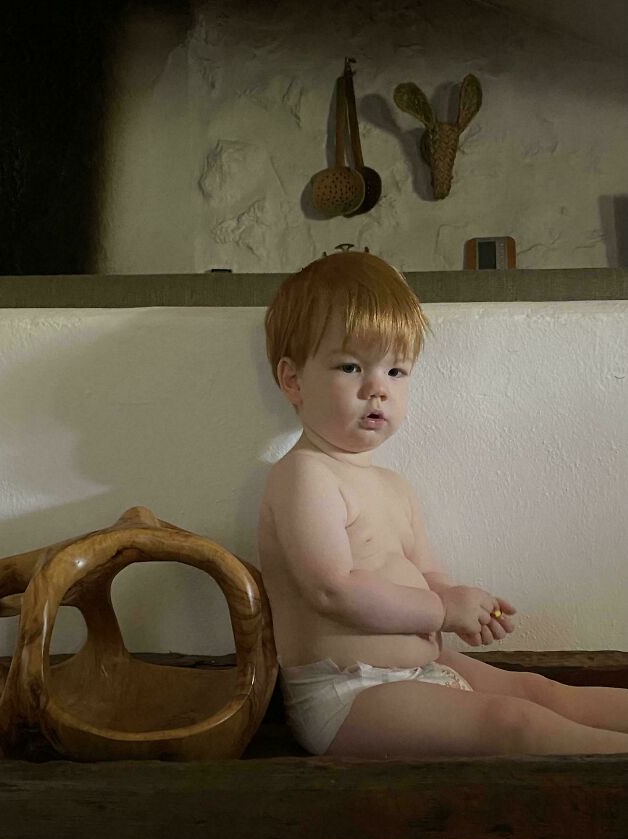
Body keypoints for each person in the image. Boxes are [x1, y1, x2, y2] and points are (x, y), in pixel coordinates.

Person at [258, 249, 628, 759]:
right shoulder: (303, 475)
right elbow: (332, 589)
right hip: (351, 696)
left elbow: (430, 576)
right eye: (351, 366)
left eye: (396, 371)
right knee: (513, 721)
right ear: (293, 380)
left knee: (541, 692)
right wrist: (441, 609)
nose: (377, 391)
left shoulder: (393, 487)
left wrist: (462, 603)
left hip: (425, 672)